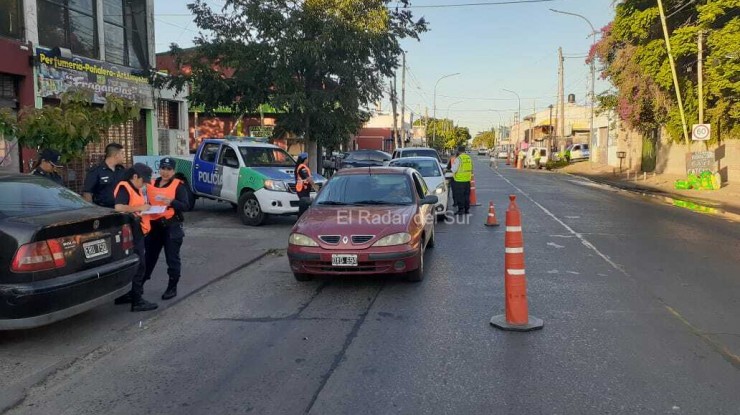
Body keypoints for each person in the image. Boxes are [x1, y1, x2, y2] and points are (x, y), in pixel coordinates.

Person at [113, 163, 158, 312]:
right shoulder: (124, 187)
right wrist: (140, 208)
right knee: (140, 265)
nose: (145, 184)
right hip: (131, 231)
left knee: (136, 264)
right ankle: (137, 301)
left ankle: (127, 295)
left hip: (137, 230)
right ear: (134, 176)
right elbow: (119, 207)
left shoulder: (135, 189)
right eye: (143, 180)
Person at [143, 157, 190, 300]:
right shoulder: (151, 183)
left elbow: (186, 206)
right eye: (163, 168)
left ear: (173, 171)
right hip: (154, 227)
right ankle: (138, 287)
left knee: (172, 259)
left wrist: (171, 202)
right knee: (148, 258)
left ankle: (172, 287)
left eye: (169, 169)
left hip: (171, 227)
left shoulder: (178, 185)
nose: (165, 172)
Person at [83, 143, 126, 208]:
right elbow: (87, 193)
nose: (124, 156)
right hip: (104, 211)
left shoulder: (121, 170)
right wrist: (92, 211)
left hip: (121, 209)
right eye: (122, 153)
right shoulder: (96, 171)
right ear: (116, 155)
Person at [451, 145, 473, 215]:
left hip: (459, 181)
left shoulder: (458, 159)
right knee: (466, 195)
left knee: (460, 196)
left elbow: (453, 170)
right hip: (467, 180)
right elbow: (471, 168)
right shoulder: (469, 158)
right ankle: (467, 209)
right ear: (464, 151)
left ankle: (461, 210)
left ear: (458, 151)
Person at [294, 152, 315, 218]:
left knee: (304, 206)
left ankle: (302, 219)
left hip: (304, 189)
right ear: (305, 159)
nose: (308, 160)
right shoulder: (302, 168)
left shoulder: (303, 167)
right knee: (303, 206)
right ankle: (300, 220)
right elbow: (308, 178)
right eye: (307, 158)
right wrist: (315, 187)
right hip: (302, 189)